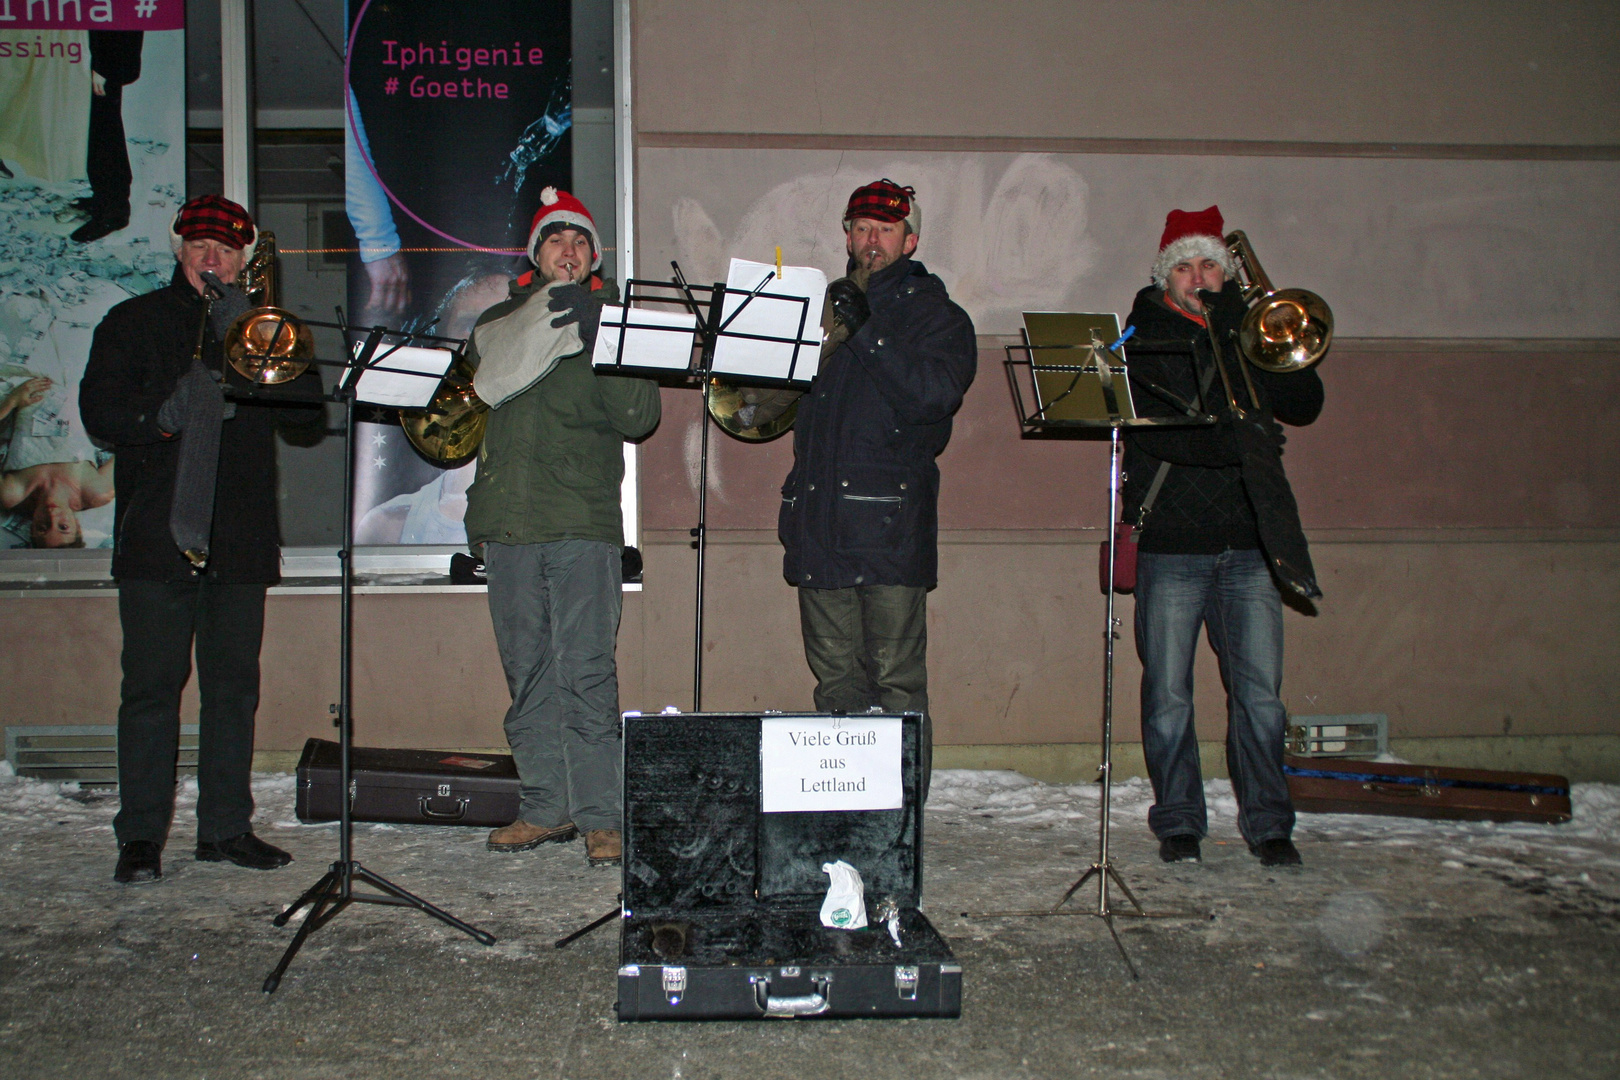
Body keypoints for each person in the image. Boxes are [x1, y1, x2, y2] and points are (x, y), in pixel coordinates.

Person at [80, 194, 325, 884]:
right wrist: (161, 416)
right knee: (152, 691)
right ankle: (140, 836)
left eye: (223, 249)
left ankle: (224, 828)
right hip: (159, 538)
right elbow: (99, 412)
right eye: (198, 247)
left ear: (244, 258)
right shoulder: (133, 322)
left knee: (232, 691)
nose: (211, 258)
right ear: (179, 252)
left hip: (239, 538)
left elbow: (307, 417)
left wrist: (257, 339)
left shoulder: (261, 327)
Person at [1121, 205, 1325, 869]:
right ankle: (1179, 821)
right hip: (1172, 543)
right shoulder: (1143, 333)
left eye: (1209, 263)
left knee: (1261, 698)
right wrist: (1235, 438)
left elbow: (1305, 404)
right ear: (1165, 277)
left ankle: (1270, 824)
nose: (1198, 276)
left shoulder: (1246, 329)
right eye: (1184, 266)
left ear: (1228, 270)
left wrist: (1252, 331)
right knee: (1168, 698)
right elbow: (1167, 428)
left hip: (1247, 542)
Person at [463, 188, 660, 866]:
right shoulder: (496, 324)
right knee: (529, 676)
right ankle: (544, 808)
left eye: (579, 241)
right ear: (535, 254)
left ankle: (602, 816)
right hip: (510, 528)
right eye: (555, 239)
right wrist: (479, 519)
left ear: (594, 257)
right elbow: (471, 416)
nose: (567, 250)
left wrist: (603, 326)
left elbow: (638, 415)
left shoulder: (618, 320)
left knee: (585, 675)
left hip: (582, 525)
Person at [777, 179, 977, 797]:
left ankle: (900, 818)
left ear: (909, 241)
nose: (871, 241)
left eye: (885, 230)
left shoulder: (938, 315)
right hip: (818, 525)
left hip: (889, 528)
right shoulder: (816, 307)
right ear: (847, 236)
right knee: (835, 684)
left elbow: (934, 398)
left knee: (896, 684)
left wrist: (866, 332)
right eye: (860, 228)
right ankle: (844, 812)